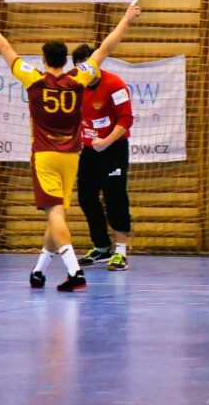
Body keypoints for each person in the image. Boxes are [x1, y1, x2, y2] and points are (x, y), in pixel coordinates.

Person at [0, 0, 140, 291]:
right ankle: (39, 271)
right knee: (56, 215)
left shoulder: (34, 79)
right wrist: (126, 19)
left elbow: (4, 47)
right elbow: (105, 48)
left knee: (55, 214)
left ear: (44, 59)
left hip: (46, 156)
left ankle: (75, 273)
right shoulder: (79, 79)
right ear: (66, 61)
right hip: (72, 156)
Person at [73, 44, 134, 271]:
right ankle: (101, 247)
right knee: (86, 197)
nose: (84, 72)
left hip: (114, 148)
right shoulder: (77, 86)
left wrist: (107, 141)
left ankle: (120, 252)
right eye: (80, 68)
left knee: (115, 196)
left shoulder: (115, 84)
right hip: (90, 151)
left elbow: (126, 119)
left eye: (87, 67)